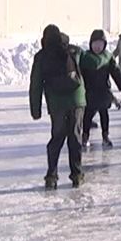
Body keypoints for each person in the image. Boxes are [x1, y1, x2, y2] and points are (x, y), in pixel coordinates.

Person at [29, 25, 86, 189]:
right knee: (75, 137)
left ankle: (51, 175)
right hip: (77, 99)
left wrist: (36, 109)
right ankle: (77, 174)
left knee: (57, 137)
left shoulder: (41, 57)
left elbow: (36, 85)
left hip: (57, 103)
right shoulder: (73, 50)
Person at [79, 29, 121, 149]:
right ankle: (85, 136)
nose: (97, 47)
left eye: (100, 44)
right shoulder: (85, 57)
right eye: (95, 43)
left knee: (104, 115)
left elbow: (116, 73)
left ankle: (105, 136)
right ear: (91, 44)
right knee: (87, 116)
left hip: (104, 92)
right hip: (90, 92)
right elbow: (79, 75)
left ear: (104, 44)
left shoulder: (108, 57)